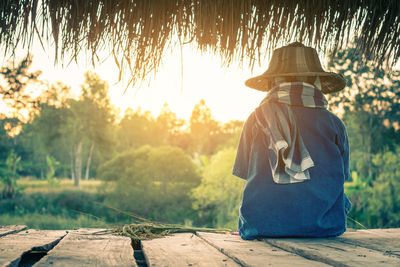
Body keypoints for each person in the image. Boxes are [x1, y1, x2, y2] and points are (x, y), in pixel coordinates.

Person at [233, 42, 351, 240]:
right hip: (325, 228)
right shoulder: (334, 123)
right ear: (316, 82)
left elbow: (245, 172)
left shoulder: (257, 118)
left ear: (273, 82)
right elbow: (341, 177)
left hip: (260, 227)